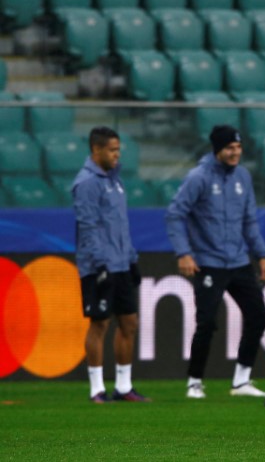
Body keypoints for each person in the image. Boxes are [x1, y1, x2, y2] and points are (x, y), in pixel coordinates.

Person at [166, 125, 265, 399]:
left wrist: (260, 254)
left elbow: (249, 220)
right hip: (208, 262)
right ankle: (194, 381)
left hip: (238, 260)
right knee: (208, 322)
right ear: (217, 150)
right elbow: (175, 214)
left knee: (258, 317)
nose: (235, 153)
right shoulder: (198, 178)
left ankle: (241, 381)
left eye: (238, 147)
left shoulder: (243, 177)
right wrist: (184, 253)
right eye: (230, 148)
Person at [73, 126, 149, 403]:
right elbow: (88, 226)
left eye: (118, 150)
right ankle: (96, 389)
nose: (117, 155)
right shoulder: (86, 183)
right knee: (99, 324)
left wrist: (131, 259)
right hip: (98, 266)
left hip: (120, 263)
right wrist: (100, 264)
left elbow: (121, 226)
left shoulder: (114, 181)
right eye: (112, 150)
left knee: (129, 322)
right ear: (96, 150)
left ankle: (124, 386)